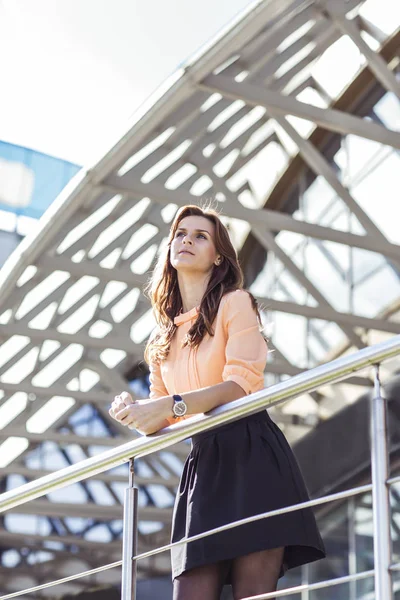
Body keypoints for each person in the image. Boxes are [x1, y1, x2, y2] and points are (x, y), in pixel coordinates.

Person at [109, 204, 325, 600]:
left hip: (253, 456)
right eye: (180, 233)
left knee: (252, 593)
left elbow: (241, 383)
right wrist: (133, 410)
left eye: (200, 235)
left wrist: (170, 405)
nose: (186, 239)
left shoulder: (235, 302)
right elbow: (161, 415)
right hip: (204, 468)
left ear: (218, 257)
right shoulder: (163, 337)